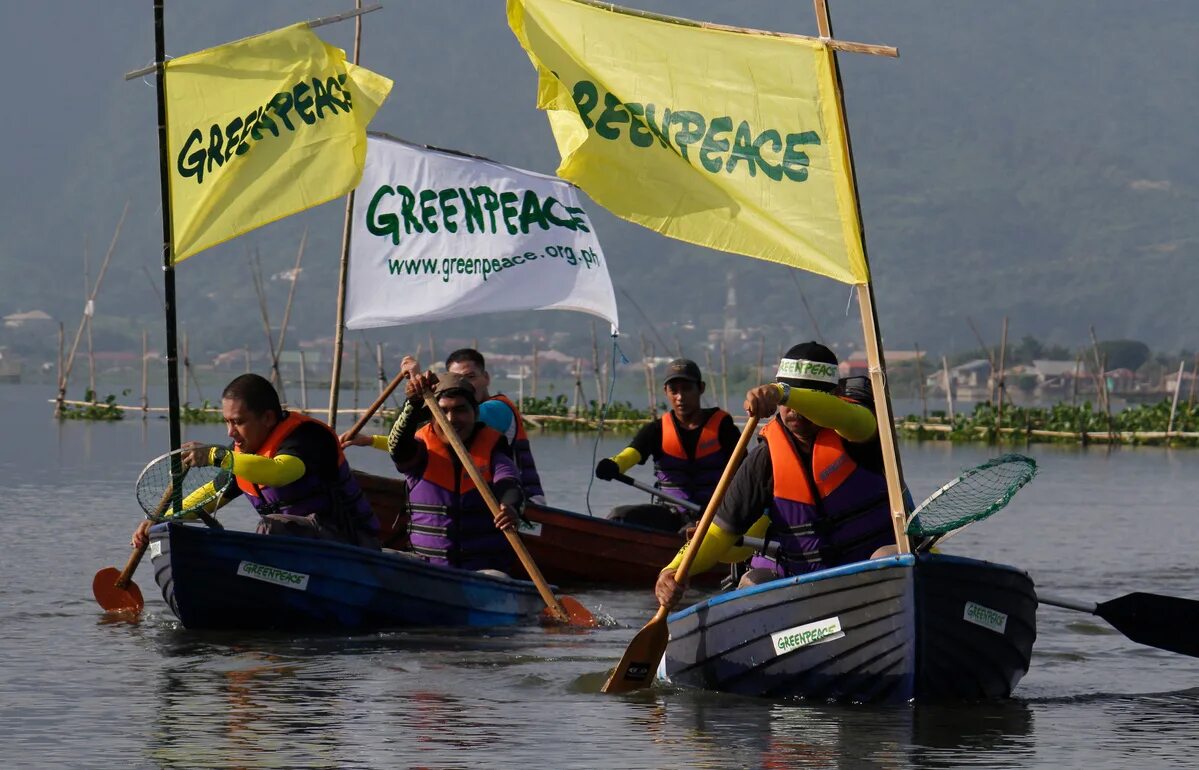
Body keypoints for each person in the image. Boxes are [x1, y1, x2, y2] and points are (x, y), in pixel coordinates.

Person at [654, 342, 897, 609]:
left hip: (869, 576)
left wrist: (783, 392)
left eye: (806, 395)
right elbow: (717, 533)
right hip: (805, 587)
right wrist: (672, 570)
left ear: (835, 394)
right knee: (751, 582)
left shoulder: (860, 428)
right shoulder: (765, 460)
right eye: (785, 401)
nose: (792, 409)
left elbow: (849, 418)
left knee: (892, 558)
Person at [131, 373, 381, 550]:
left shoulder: (308, 438)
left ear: (268, 418)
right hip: (301, 549)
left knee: (271, 527)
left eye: (238, 422)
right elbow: (211, 494)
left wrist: (214, 456)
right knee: (185, 531)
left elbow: (279, 473)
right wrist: (161, 520)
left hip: (353, 543)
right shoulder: (240, 455)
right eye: (227, 422)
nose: (231, 433)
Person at [344, 349, 546, 505]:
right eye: (455, 378)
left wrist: (418, 383)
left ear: (486, 378)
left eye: (470, 377)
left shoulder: (497, 409)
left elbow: (444, 424)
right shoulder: (455, 418)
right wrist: (371, 441)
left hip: (523, 503)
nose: (462, 384)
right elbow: (428, 444)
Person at [386, 370, 523, 574]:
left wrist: (509, 506)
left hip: (482, 570)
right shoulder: (419, 447)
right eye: (444, 411)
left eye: (460, 410)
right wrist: (413, 404)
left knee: (497, 576)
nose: (451, 419)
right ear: (433, 415)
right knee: (384, 556)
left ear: (474, 413)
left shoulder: (493, 446)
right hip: (428, 566)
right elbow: (397, 448)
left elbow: (508, 480)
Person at [594, 358, 739, 532]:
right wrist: (615, 464)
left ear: (701, 388)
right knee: (619, 517)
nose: (680, 397)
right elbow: (632, 453)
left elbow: (746, 471)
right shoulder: (656, 429)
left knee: (691, 531)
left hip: (714, 516)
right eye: (674, 390)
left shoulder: (723, 427)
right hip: (670, 513)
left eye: (686, 389)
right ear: (666, 391)